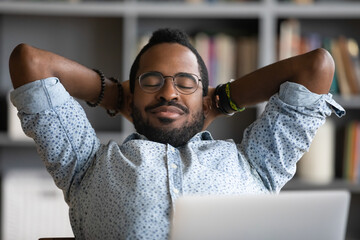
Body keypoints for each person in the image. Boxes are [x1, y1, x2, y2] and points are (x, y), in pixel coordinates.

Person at [9, 28, 344, 239]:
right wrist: (115, 96)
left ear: (204, 94)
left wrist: (222, 100)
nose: (169, 93)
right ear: (131, 94)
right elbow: (30, 62)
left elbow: (315, 67)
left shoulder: (258, 163)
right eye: (151, 81)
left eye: (186, 83)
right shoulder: (84, 165)